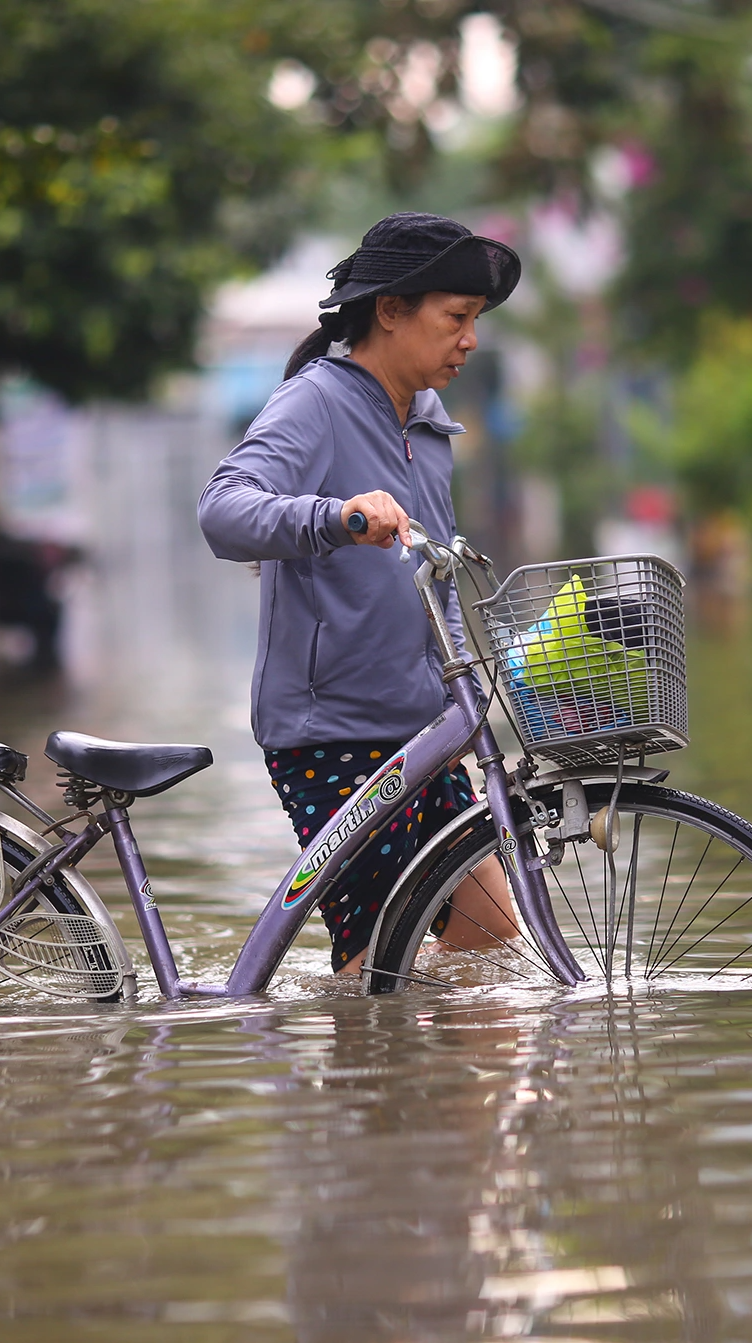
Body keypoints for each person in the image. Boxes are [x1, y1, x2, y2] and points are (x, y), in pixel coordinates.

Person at [198, 212, 524, 976]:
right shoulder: (316, 402)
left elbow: (433, 576)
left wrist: (465, 692)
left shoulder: (431, 427)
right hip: (332, 734)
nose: (469, 340)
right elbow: (223, 509)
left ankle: (428, 1083)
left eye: (474, 321)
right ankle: (365, 1084)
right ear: (390, 310)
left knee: (491, 932)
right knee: (374, 964)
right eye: (455, 318)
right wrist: (337, 517)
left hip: (424, 731)